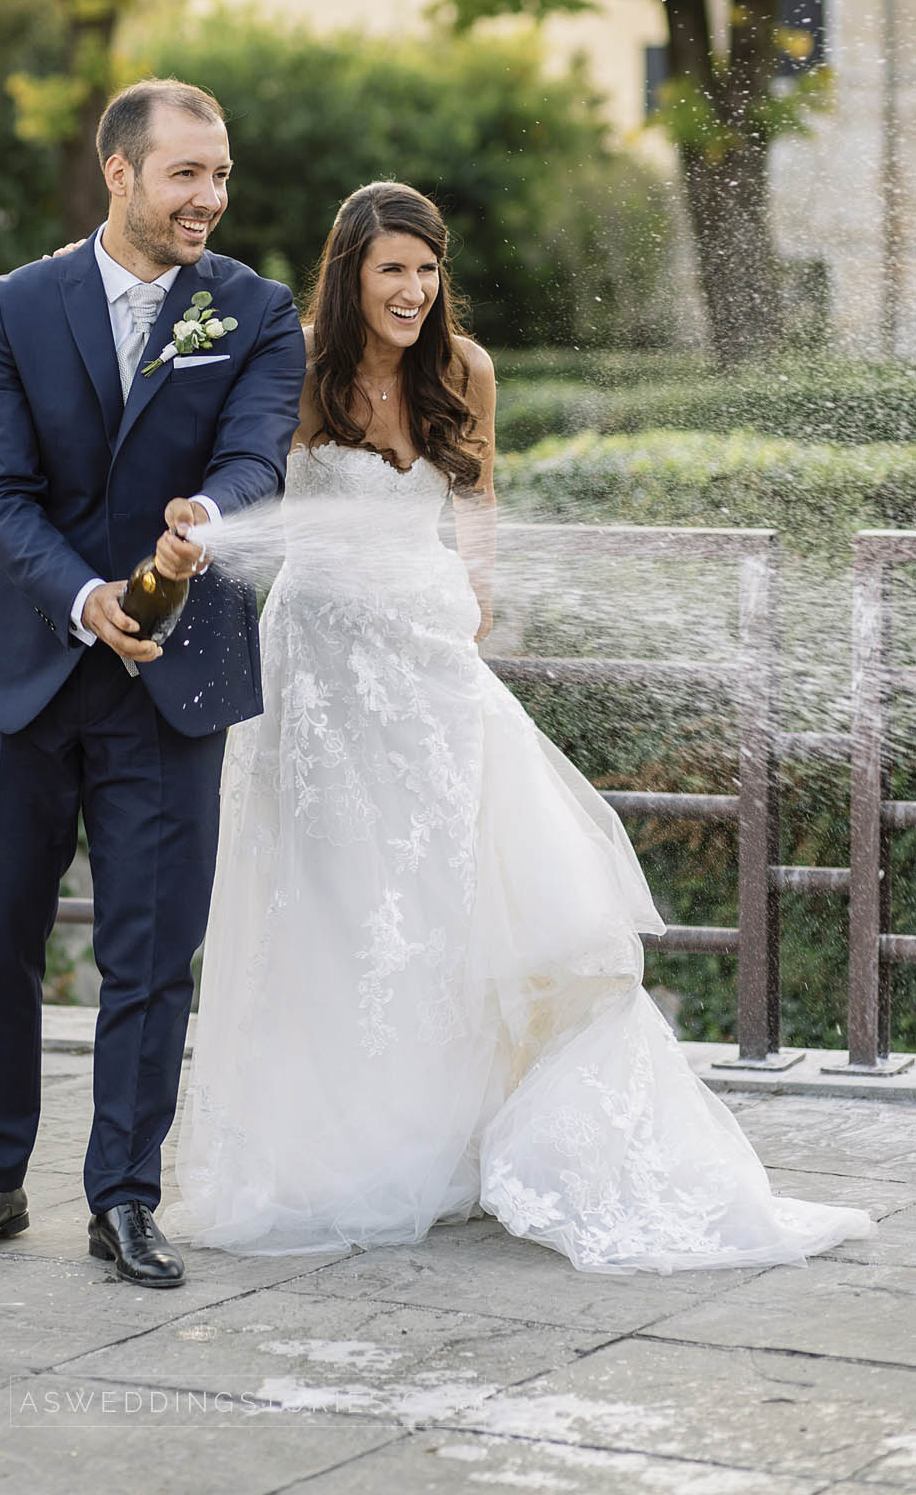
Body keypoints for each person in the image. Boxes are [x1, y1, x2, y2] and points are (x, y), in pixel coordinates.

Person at [171, 181, 871, 1271]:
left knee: (465, 887)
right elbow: (242, 479)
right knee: (335, 894)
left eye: (426, 267)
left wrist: (474, 595)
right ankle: (346, 1147)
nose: (412, 289)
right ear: (349, 271)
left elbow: (476, 498)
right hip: (318, 669)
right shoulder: (298, 365)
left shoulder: (465, 369)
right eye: (390, 268)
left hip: (431, 661)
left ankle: (468, 1132)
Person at [0, 79, 305, 1287]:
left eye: (222, 174)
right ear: (121, 173)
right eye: (188, 174)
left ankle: (125, 1197)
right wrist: (88, 598)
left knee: (151, 953)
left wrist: (210, 512)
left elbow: (254, 452)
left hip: (173, 682)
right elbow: (3, 496)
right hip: (27, 672)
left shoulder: (255, 310)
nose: (212, 197)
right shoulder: (9, 308)